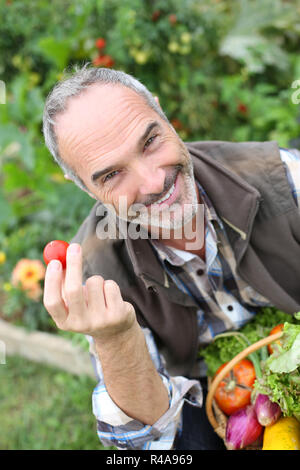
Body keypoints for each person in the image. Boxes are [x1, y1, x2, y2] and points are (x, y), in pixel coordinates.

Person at [42, 64, 300, 450]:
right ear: (85, 188)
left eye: (149, 142)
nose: (153, 181)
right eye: (111, 175)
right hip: (205, 410)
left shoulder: (284, 179)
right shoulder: (98, 271)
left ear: (162, 114)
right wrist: (115, 338)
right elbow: (152, 438)